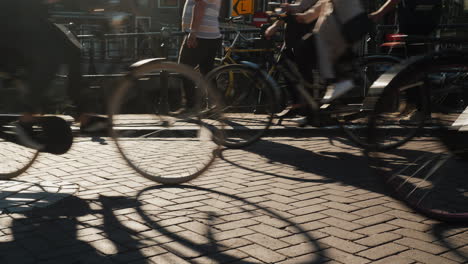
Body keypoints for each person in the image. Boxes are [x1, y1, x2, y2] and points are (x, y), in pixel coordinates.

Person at [0, 0, 108, 150]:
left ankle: (84, 115)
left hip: (30, 20)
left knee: (74, 50)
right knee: (49, 58)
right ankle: (26, 120)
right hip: (14, 23)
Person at [369, 0, 442, 123]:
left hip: (415, 23)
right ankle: (414, 105)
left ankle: (419, 109)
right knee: (407, 66)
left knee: (399, 66)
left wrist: (379, 13)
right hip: (417, 21)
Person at [178, 0, 222, 111]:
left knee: (184, 68)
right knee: (207, 72)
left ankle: (190, 106)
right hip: (212, 36)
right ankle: (214, 105)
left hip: (200, 36)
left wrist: (193, 32)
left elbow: (200, 5)